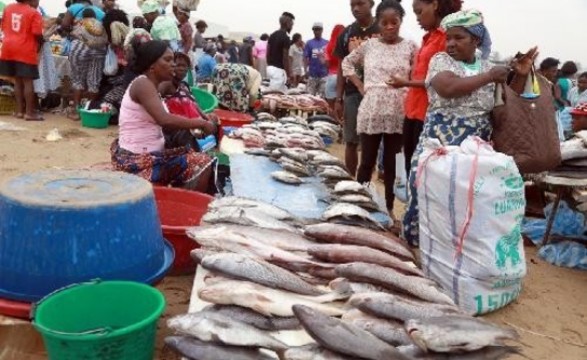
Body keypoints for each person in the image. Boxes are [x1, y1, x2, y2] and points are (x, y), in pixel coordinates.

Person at [402, 9, 538, 245]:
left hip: (476, 148)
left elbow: (506, 100)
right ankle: (416, 247)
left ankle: (452, 251)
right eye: (448, 38)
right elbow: (448, 88)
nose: (451, 44)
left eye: (459, 38)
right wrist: (489, 77)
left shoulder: (488, 65)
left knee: (462, 201)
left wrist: (520, 75)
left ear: (476, 40)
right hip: (440, 143)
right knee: (427, 193)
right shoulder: (441, 60)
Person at [342, 0, 417, 215]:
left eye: (394, 22)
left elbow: (420, 72)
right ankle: (360, 204)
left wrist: (409, 85)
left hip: (398, 111)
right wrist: (359, 84)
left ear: (401, 21)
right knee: (367, 161)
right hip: (372, 109)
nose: (390, 27)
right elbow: (346, 63)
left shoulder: (410, 46)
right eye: (385, 22)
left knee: (392, 165)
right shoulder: (370, 45)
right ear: (378, 23)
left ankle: (389, 208)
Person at [111, 40, 216, 189]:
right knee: (202, 162)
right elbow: (164, 120)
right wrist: (201, 123)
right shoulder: (142, 84)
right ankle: (186, 206)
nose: (173, 64)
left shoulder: (153, 87)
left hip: (148, 154)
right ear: (152, 65)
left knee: (189, 149)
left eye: (173, 60)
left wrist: (197, 123)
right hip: (136, 160)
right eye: (167, 60)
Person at [389, 0, 462, 176]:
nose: (417, 18)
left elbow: (440, 81)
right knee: (410, 165)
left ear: (435, 5)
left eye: (419, 12)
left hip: (428, 114)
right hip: (413, 110)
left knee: (422, 169)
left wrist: (405, 83)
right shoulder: (429, 37)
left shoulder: (447, 38)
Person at [334, 0, 380, 176]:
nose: (355, 8)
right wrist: (339, 98)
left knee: (372, 141)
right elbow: (340, 68)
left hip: (377, 95)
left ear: (371, 4)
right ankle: (350, 182)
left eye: (360, 4)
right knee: (351, 141)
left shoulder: (382, 29)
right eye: (352, 5)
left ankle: (366, 182)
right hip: (352, 94)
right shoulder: (346, 34)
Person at [160, 52, 216, 150]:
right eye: (178, 65)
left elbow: (194, 104)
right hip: (179, 132)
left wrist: (206, 117)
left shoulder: (184, 86)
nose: (181, 68)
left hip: (194, 129)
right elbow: (157, 97)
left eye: (184, 66)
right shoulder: (167, 84)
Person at [0, 0, 43, 121]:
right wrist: (41, 42)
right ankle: (29, 113)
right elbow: (37, 33)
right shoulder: (33, 12)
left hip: (8, 47)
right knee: (28, 82)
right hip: (25, 48)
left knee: (17, 80)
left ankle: (19, 111)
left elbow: (3, 27)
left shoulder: (8, 8)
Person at [88, 9, 130, 123]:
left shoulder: (125, 44)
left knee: (98, 106)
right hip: (119, 83)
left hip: (125, 84)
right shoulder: (123, 40)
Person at [67, 7, 108, 120]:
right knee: (94, 81)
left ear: (83, 16)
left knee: (77, 79)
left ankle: (76, 111)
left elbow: (71, 33)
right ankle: (89, 111)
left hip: (80, 49)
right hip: (99, 51)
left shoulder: (80, 23)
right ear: (94, 17)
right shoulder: (101, 25)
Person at [267, 11, 294, 91]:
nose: (292, 26)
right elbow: (285, 58)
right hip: (278, 70)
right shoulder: (285, 38)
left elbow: (267, 53)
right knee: (276, 95)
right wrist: (289, 74)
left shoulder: (272, 35)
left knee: (278, 93)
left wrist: (270, 65)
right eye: (291, 24)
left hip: (270, 68)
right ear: (287, 23)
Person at [324, 25, 345, 115]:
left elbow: (327, 64)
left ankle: (333, 124)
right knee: (343, 106)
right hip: (343, 78)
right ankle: (342, 126)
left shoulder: (328, 46)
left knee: (331, 108)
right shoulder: (345, 46)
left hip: (331, 78)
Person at [304, 22, 329, 97]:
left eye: (318, 29)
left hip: (324, 74)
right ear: (313, 31)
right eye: (315, 30)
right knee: (310, 97)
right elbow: (305, 57)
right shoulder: (309, 43)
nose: (317, 31)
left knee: (322, 97)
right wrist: (306, 70)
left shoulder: (326, 43)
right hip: (312, 74)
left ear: (322, 30)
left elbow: (329, 58)